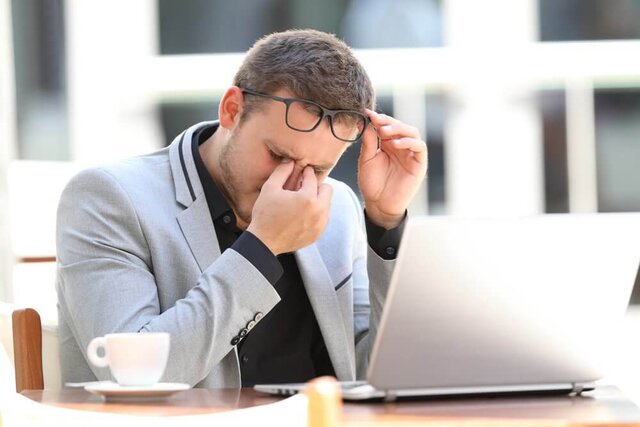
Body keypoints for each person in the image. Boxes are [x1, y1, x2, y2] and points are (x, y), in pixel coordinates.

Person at [55, 29, 427, 388]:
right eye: (278, 155)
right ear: (232, 109)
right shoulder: (108, 198)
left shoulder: (338, 208)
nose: (290, 183)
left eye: (317, 169)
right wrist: (262, 246)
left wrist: (385, 222)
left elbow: (374, 373)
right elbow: (132, 376)